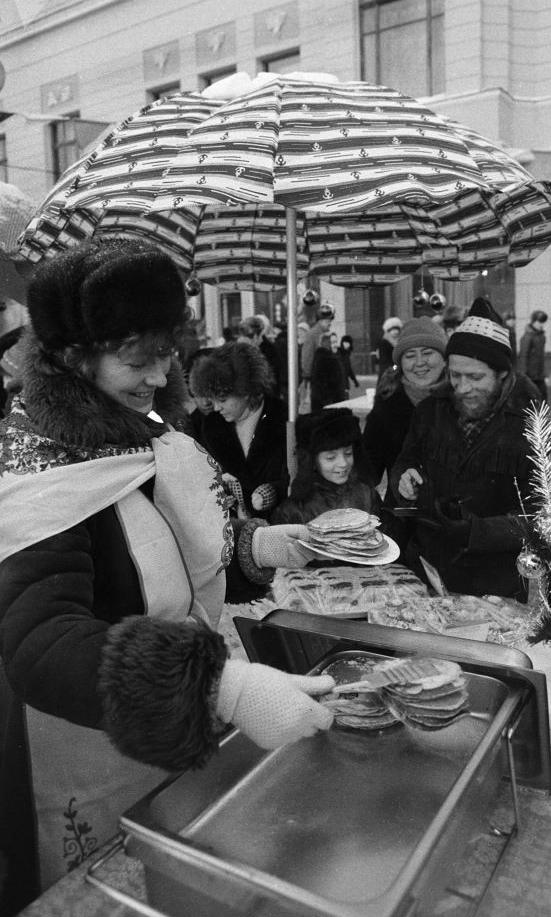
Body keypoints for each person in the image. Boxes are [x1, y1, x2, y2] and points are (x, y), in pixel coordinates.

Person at [0, 239, 334, 916]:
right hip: (88, 738)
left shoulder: (141, 431)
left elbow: (177, 547)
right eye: (136, 359)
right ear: (74, 358)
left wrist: (260, 547)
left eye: (167, 353)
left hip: (175, 724)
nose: (158, 375)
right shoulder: (40, 469)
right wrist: (220, 684)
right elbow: (41, 642)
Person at [389, 297, 541, 600]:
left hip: (498, 585)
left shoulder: (532, 422)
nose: (463, 387)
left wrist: (477, 533)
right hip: (431, 570)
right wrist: (403, 479)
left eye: (475, 377)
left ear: (501, 373)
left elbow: (545, 514)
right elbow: (405, 461)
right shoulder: (430, 410)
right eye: (455, 375)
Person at [188, 341, 289, 545]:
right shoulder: (212, 426)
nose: (215, 407)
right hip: (232, 536)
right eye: (213, 399)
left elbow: (292, 480)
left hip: (279, 532)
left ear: (247, 391)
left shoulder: (284, 418)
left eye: (223, 399)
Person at [363, 316, 448, 519]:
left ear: (444, 359)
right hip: (403, 514)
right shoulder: (387, 405)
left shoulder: (462, 399)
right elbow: (368, 469)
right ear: (400, 362)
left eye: (428, 353)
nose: (420, 363)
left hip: (454, 517)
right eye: (410, 355)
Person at [270, 408, 380, 525]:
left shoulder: (366, 494)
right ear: (311, 460)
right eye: (331, 457)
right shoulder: (292, 511)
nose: (343, 463)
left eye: (348, 453)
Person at [310, 331, 345, 411]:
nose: (336, 345)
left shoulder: (333, 357)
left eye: (336, 341)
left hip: (332, 404)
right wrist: (330, 403)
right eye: (332, 342)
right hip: (328, 406)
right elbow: (321, 386)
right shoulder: (325, 360)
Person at [518, 309, 548, 401]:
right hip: (530, 376)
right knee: (532, 400)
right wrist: (524, 375)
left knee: (543, 397)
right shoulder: (527, 337)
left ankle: (542, 415)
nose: (541, 324)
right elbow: (523, 355)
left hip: (539, 376)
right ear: (534, 321)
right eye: (539, 322)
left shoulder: (541, 336)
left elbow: (541, 357)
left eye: (543, 322)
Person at [373, 316, 402, 383]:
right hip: (388, 373)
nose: (395, 332)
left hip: (397, 372)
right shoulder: (384, 343)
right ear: (388, 331)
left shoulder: (400, 342)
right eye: (393, 329)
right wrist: (395, 368)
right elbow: (384, 361)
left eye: (397, 329)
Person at [336, 333, 359, 398]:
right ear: (342, 343)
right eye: (345, 343)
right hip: (340, 383)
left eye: (348, 343)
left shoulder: (346, 354)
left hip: (345, 383)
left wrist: (354, 380)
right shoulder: (339, 353)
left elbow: (349, 369)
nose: (347, 345)